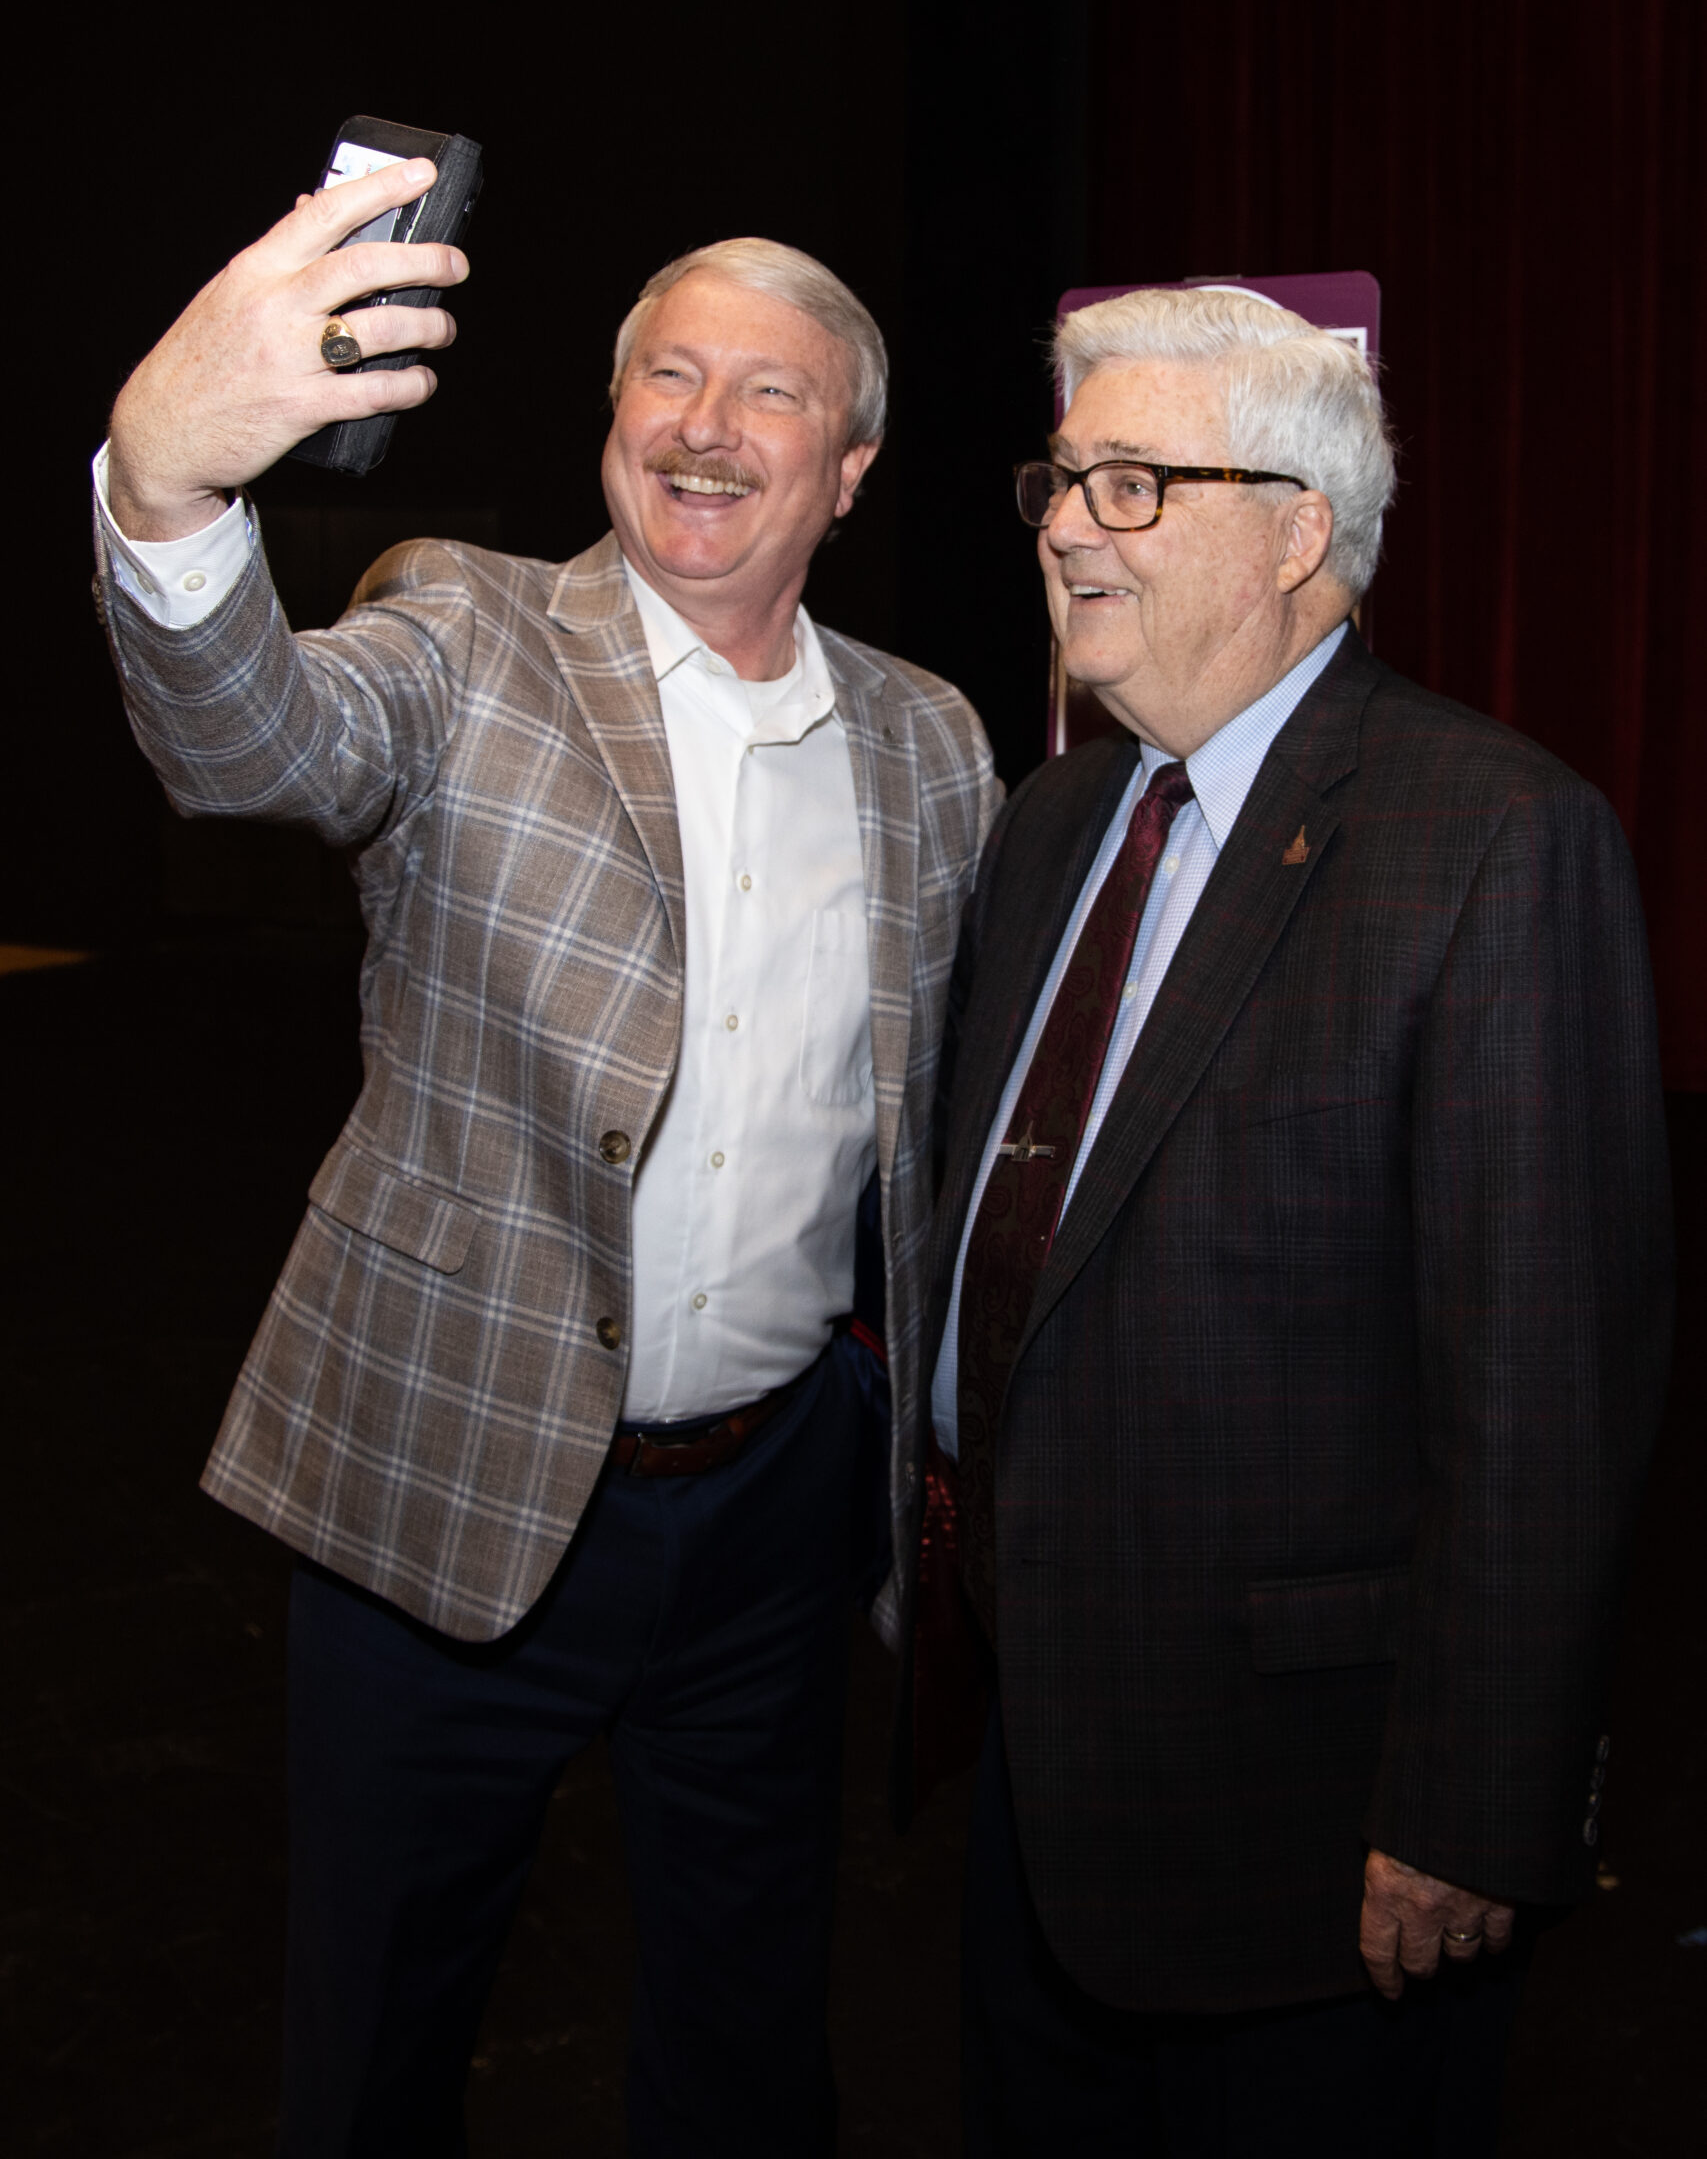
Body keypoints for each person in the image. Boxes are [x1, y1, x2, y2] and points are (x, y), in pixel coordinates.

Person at [94, 156, 998, 2157]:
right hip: (453, 1481)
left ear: (847, 466)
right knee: (376, 2049)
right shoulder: (463, 629)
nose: (700, 422)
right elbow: (256, 743)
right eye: (663, 376)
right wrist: (166, 487)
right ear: (609, 420)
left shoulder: (933, 742)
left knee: (750, 2044)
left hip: (768, 1514)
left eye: (763, 391)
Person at [905, 285, 1671, 2156]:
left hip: (1315, 1845)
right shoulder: (1051, 824)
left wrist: (1476, 1807)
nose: (1072, 524)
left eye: (1137, 484)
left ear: (1299, 531)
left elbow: (1545, 1390)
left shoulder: (1490, 837)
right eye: (1066, 480)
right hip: (1031, 1777)